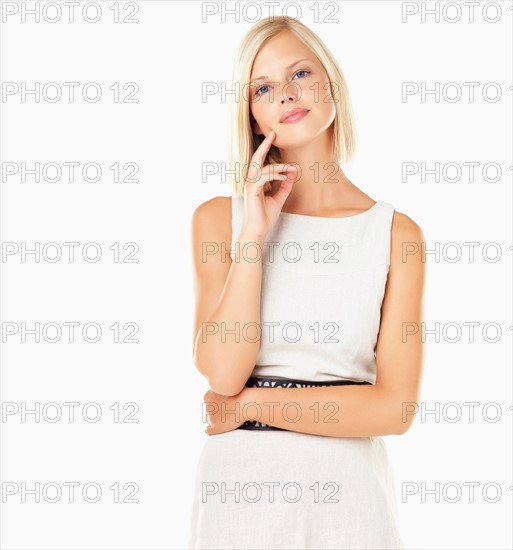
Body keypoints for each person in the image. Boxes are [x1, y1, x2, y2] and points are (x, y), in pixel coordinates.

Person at [188, 15, 425, 550]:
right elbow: (224, 372)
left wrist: (250, 407)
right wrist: (254, 233)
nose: (286, 95)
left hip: (350, 498)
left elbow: (394, 409)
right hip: (238, 497)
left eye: (300, 73)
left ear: (331, 81)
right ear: (249, 115)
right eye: (264, 88)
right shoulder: (216, 222)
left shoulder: (396, 234)